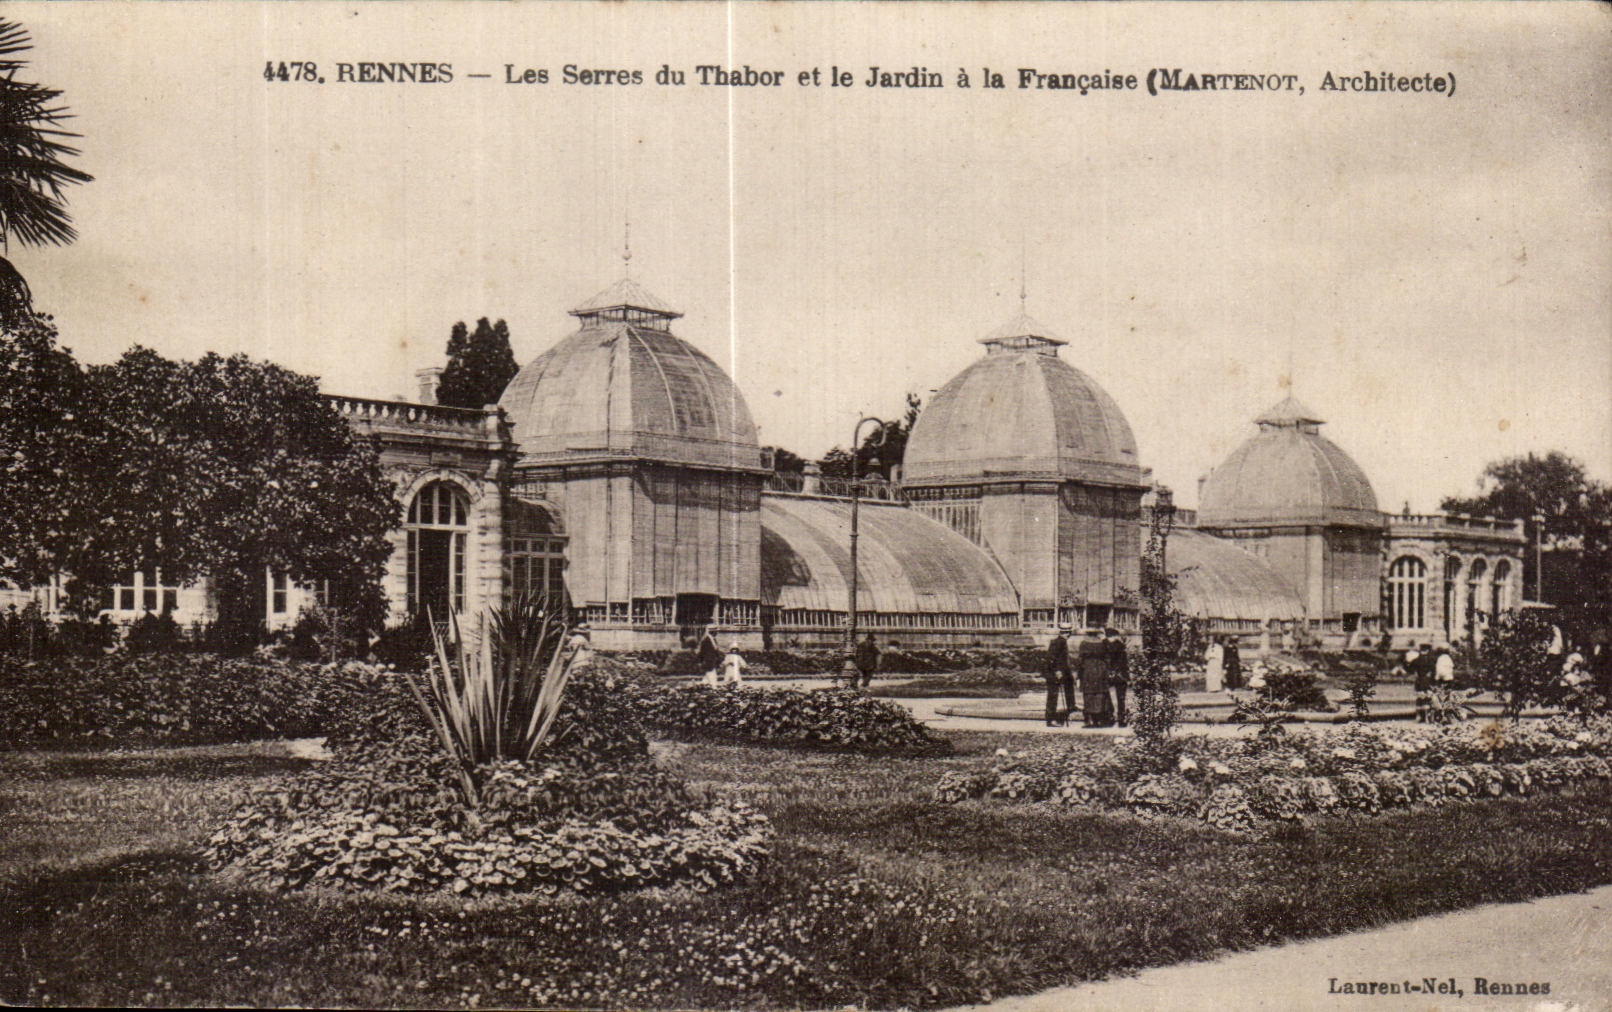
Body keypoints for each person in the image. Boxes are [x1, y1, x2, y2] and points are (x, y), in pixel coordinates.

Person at [1077, 627, 1114, 728]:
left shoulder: (1083, 644)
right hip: (1100, 670)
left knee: (1088, 695)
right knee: (1100, 695)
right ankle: (1100, 720)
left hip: (1088, 671)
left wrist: (1078, 676)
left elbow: (1080, 661)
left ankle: (1089, 720)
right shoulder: (1102, 643)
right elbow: (1110, 655)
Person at [1045, 625, 1072, 726]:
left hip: (1056, 672)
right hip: (1054, 673)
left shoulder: (1060, 641)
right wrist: (1057, 671)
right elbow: (1052, 658)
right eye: (1068, 632)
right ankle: (1051, 719)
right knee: (1053, 695)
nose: (1069, 634)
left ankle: (1052, 718)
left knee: (1053, 695)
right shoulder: (1059, 642)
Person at [1105, 627, 1130, 727]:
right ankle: (1119, 717)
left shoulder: (1116, 645)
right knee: (1119, 698)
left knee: (1117, 697)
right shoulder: (1117, 645)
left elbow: (1112, 651)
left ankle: (1117, 717)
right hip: (1119, 675)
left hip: (1117, 674)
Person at [1408, 642, 1431, 722]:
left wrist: (1416, 673)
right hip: (1427, 681)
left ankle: (1418, 716)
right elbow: (1434, 671)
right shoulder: (1431, 660)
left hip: (1418, 680)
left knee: (1419, 699)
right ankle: (1427, 717)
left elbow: (1410, 670)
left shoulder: (1416, 660)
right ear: (1427, 650)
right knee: (1427, 698)